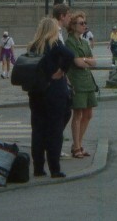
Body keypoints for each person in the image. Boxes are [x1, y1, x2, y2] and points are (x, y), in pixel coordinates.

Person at [26, 16, 89, 178]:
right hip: (54, 93)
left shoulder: (33, 46)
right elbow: (69, 54)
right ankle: (55, 168)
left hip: (37, 93)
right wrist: (62, 71)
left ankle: (38, 168)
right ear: (53, 30)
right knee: (55, 131)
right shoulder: (55, 44)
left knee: (38, 130)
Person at [66, 11, 98, 158]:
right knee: (77, 114)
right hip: (76, 81)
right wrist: (86, 60)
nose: (84, 25)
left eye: (85, 23)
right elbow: (77, 62)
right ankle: (77, 146)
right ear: (73, 26)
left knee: (88, 114)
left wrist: (85, 60)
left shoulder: (84, 42)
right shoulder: (70, 42)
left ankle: (78, 143)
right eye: (81, 23)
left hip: (87, 80)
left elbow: (93, 61)